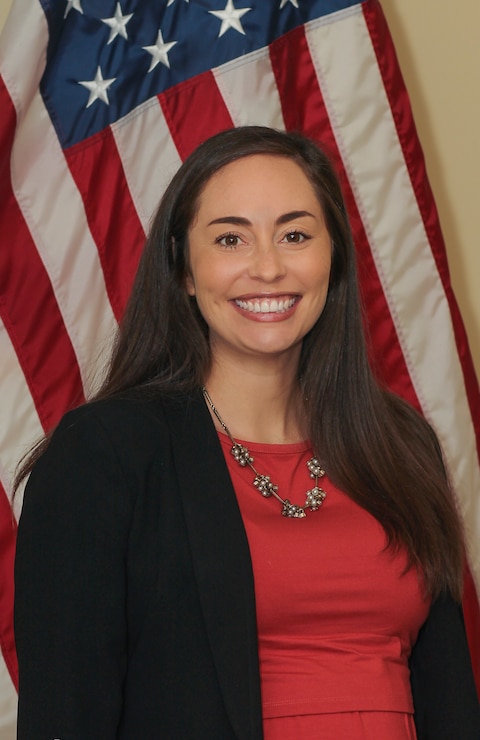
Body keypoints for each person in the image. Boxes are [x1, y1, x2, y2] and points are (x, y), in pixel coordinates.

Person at [14, 126, 479, 739]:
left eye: (294, 235)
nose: (267, 267)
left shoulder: (399, 442)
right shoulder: (106, 453)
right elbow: (66, 716)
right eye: (231, 239)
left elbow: (450, 700)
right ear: (182, 267)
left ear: (332, 256)